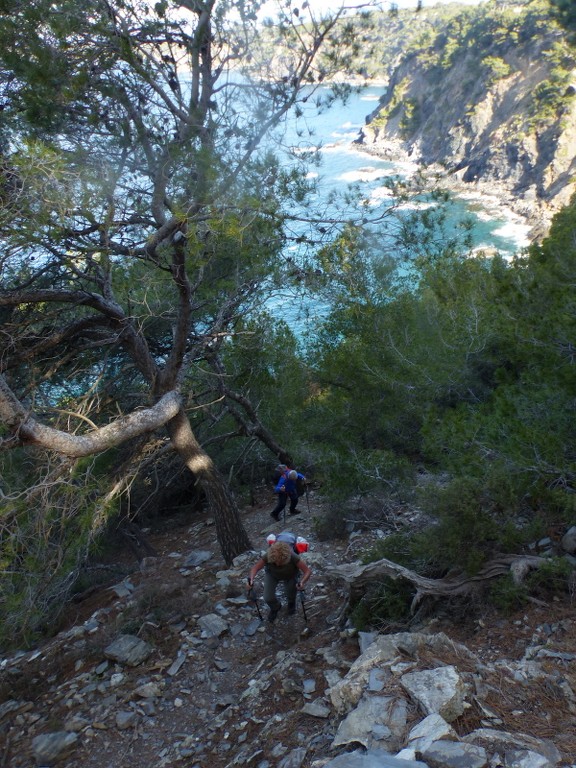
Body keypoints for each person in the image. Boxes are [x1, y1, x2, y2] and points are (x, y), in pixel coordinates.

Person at [247, 540, 312, 622]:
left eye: (281, 563)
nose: (277, 564)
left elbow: (307, 571)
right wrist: (251, 580)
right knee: (268, 597)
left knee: (290, 593)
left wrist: (302, 582)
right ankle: (276, 607)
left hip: (290, 575)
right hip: (272, 575)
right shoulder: (268, 555)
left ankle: (291, 603)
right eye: (275, 562)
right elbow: (255, 568)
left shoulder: (293, 556)